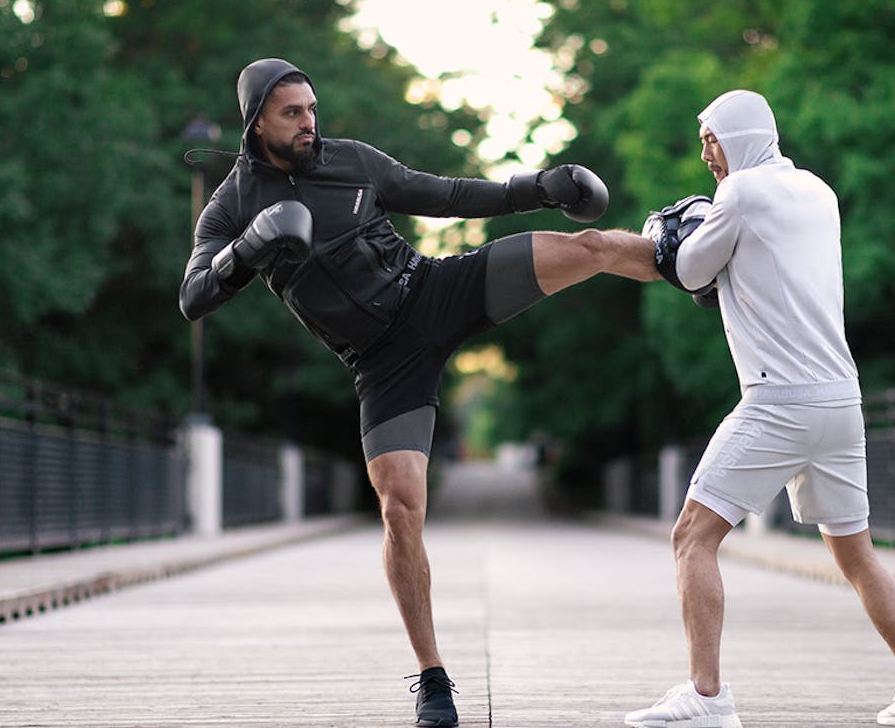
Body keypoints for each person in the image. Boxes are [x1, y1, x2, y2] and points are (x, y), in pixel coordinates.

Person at [179, 57, 657, 728]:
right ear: (256, 119)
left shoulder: (352, 161)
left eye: (313, 109)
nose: (310, 123)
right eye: (293, 113)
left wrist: (539, 186)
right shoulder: (232, 203)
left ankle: (690, 263)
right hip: (380, 361)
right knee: (401, 509)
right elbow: (193, 297)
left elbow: (448, 195)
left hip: (433, 292)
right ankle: (434, 680)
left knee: (587, 247)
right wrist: (250, 247)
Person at [625, 90, 895, 728]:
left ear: (741, 136)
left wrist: (657, 234)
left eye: (712, 139)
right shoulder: (820, 192)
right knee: (857, 555)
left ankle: (707, 698)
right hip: (841, 400)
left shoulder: (741, 194)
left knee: (692, 537)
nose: (706, 154)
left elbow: (691, 272)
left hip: (778, 401)